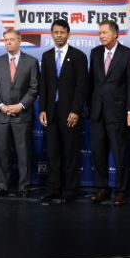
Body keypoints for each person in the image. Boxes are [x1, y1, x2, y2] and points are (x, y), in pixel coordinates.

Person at [88, 20, 130, 207]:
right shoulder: (95, 53)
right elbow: (91, 82)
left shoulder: (128, 55)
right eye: (99, 33)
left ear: (115, 34)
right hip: (97, 112)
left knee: (120, 154)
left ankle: (121, 191)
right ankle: (102, 188)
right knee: (99, 154)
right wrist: (88, 107)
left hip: (118, 112)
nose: (101, 36)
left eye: (104, 33)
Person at [39, 19, 88, 204]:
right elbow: (43, 84)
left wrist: (76, 110)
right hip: (51, 112)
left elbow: (82, 86)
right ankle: (53, 189)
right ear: (51, 34)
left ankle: (70, 190)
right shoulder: (46, 56)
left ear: (68, 34)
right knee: (52, 152)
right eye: (56, 32)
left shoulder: (79, 56)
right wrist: (42, 108)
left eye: (62, 32)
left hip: (70, 112)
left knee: (70, 152)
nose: (59, 35)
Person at [0, 29, 39, 197]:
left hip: (21, 115)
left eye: (11, 40)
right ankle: (2, 186)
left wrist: (21, 105)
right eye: (6, 40)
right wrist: (1, 106)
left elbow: (34, 88)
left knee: (23, 154)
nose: (8, 42)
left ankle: (24, 188)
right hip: (1, 116)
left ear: (19, 41)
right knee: (2, 153)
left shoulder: (31, 62)